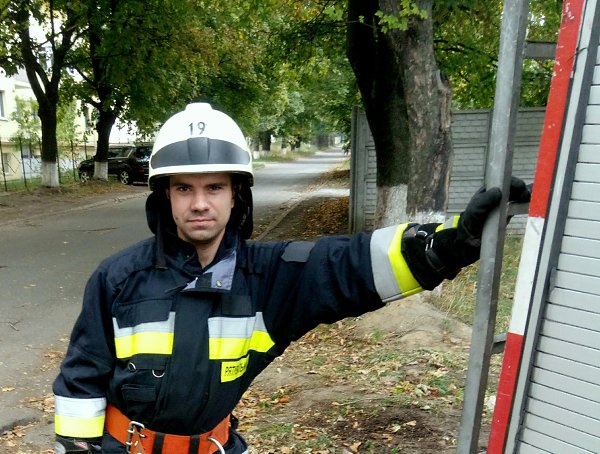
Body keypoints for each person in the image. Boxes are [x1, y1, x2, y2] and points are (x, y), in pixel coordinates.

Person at [53, 103, 530, 454]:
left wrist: (450, 244)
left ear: (237, 195)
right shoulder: (118, 278)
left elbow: (354, 265)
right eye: (184, 188)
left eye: (214, 187)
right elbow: (80, 386)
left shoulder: (269, 278)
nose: (199, 203)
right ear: (165, 196)